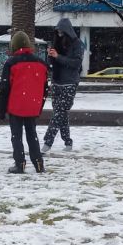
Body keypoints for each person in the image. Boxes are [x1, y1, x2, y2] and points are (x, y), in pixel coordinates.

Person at [0, 31, 49, 174]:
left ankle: (20, 163)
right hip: (32, 105)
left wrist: (1, 109)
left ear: (14, 46)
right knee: (32, 134)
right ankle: (39, 163)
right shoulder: (41, 63)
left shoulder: (11, 63)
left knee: (16, 136)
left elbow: (4, 88)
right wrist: (39, 106)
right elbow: (45, 88)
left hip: (16, 106)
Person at [42, 18, 84, 153]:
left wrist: (58, 56)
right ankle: (68, 141)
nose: (60, 35)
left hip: (70, 83)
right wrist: (50, 56)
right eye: (58, 32)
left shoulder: (78, 44)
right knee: (60, 113)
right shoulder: (57, 42)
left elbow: (76, 64)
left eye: (62, 32)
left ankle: (47, 142)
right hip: (56, 81)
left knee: (59, 113)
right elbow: (51, 64)